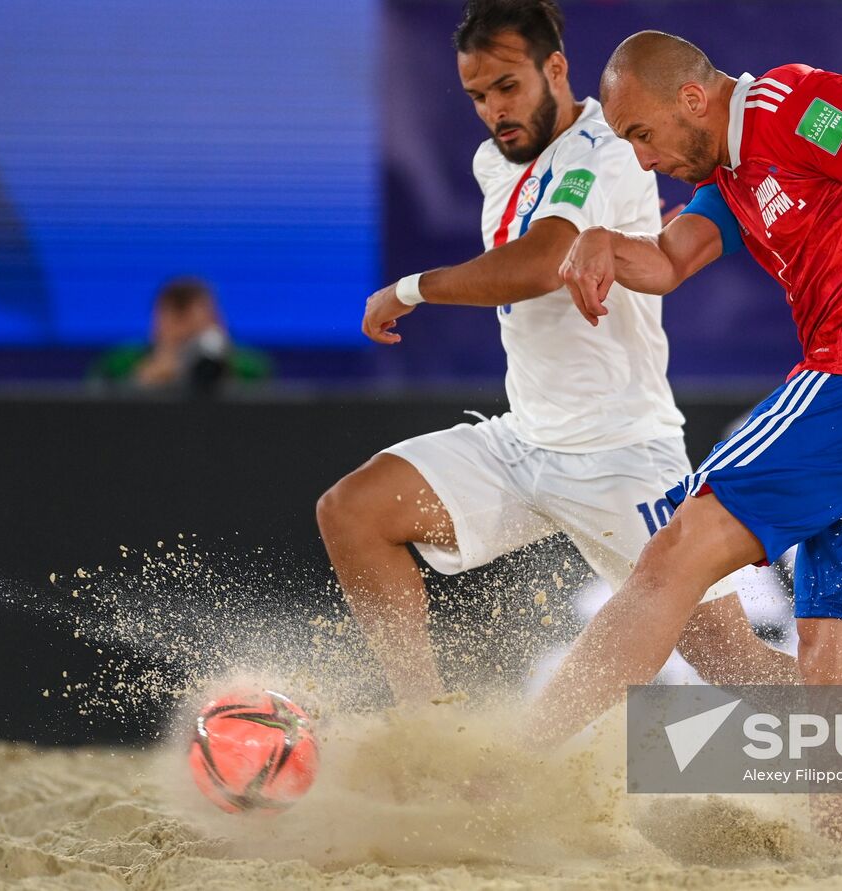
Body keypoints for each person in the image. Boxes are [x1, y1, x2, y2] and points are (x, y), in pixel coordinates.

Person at [528, 32, 842, 752]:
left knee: (671, 554)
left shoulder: (793, 105)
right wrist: (599, 239)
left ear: (693, 97)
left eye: (641, 133)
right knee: (833, 658)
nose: (641, 157)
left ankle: (513, 760)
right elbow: (666, 261)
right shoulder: (732, 179)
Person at [316, 2, 798, 706]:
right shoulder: (493, 162)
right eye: (477, 95)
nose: (493, 110)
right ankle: (421, 722)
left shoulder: (605, 142)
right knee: (352, 511)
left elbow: (545, 260)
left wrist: (412, 289)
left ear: (556, 69)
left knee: (732, 660)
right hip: (526, 441)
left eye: (507, 87)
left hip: (622, 454)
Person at [88, 276, 271, 393]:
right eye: (178, 339)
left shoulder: (250, 368)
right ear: (155, 326)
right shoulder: (119, 364)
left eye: (193, 335)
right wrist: (140, 385)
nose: (186, 345)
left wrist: (225, 376)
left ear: (218, 323)